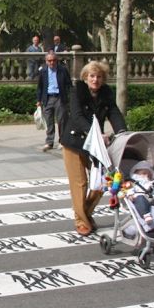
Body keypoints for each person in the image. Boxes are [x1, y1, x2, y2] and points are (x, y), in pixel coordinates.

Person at [60, 61, 127, 237]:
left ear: (103, 79)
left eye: (98, 77)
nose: (95, 80)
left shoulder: (106, 93)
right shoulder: (77, 91)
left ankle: (86, 213)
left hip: (95, 145)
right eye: (91, 76)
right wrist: (96, 132)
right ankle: (81, 221)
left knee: (103, 183)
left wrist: (122, 132)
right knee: (80, 183)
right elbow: (76, 116)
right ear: (85, 77)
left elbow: (114, 112)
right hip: (74, 142)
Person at [36, 51, 72, 151]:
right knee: (49, 121)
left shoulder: (63, 70)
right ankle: (49, 142)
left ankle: (62, 141)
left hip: (60, 97)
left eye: (54, 60)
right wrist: (38, 100)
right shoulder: (43, 71)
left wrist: (70, 98)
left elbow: (69, 85)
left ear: (57, 60)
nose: (52, 63)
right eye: (49, 61)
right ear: (46, 61)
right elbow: (40, 87)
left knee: (62, 120)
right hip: (47, 98)